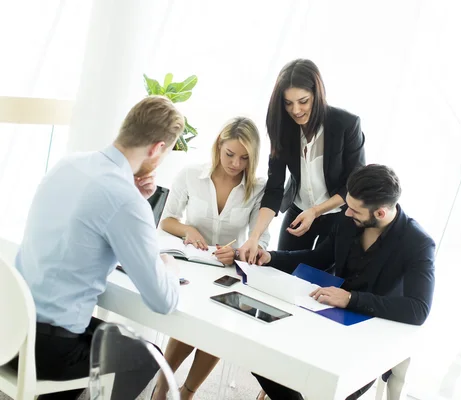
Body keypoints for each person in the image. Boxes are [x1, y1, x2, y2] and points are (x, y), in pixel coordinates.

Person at [9, 96, 183, 400]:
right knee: (146, 355)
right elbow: (163, 300)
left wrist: (134, 197)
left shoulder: (68, 163)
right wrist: (169, 266)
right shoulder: (125, 198)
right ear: (157, 148)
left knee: (105, 336)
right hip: (48, 351)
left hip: (9, 325)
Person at [252, 164, 436, 400]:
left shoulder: (418, 244)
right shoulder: (347, 219)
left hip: (370, 336)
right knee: (260, 355)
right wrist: (271, 257)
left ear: (380, 213)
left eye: (354, 210)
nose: (346, 213)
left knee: (327, 390)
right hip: (328, 318)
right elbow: (320, 257)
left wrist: (351, 299)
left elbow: (418, 309)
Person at [152, 117, 270, 400]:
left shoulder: (257, 187)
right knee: (190, 321)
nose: (236, 164)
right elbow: (167, 221)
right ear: (218, 146)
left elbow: (261, 240)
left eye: (245, 158)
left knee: (219, 328)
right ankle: (161, 389)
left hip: (226, 269)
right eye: (230, 154)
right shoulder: (191, 174)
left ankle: (187, 392)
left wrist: (240, 252)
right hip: (190, 265)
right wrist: (188, 230)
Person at [237, 59, 366, 263]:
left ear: (317, 94)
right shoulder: (282, 127)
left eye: (303, 101)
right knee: (279, 269)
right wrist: (254, 238)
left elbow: (355, 186)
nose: (296, 110)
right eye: (288, 103)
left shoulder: (346, 124)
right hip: (298, 210)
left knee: (317, 283)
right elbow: (274, 189)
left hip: (337, 215)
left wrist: (315, 211)